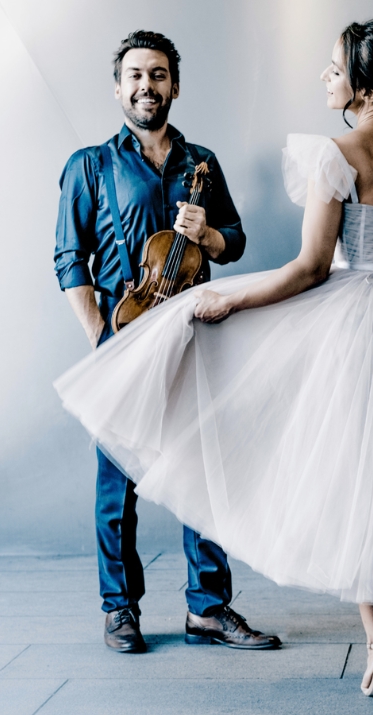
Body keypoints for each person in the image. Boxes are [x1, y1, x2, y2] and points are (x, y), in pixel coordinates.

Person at [55, 20, 373, 715]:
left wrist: (230, 302)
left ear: (364, 83)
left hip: (350, 330)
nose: (325, 78)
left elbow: (309, 270)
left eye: (333, 69)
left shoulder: (334, 154)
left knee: (355, 482)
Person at [52, 30, 281, 654]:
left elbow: (234, 242)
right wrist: (102, 336)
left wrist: (207, 236)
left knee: (203, 474)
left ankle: (208, 610)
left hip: (195, 337)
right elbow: (70, 260)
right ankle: (119, 609)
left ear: (174, 85)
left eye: (157, 75)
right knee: (116, 484)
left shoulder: (199, 163)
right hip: (123, 338)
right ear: (118, 86)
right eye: (134, 75)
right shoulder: (90, 166)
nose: (146, 86)